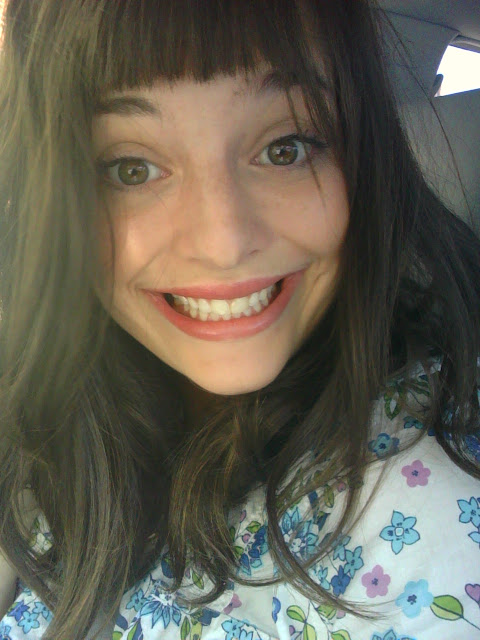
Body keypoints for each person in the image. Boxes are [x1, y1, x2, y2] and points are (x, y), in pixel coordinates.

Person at [0, 0, 479, 639]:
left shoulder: (426, 519)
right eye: (131, 169)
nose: (223, 242)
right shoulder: (44, 411)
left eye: (285, 148)